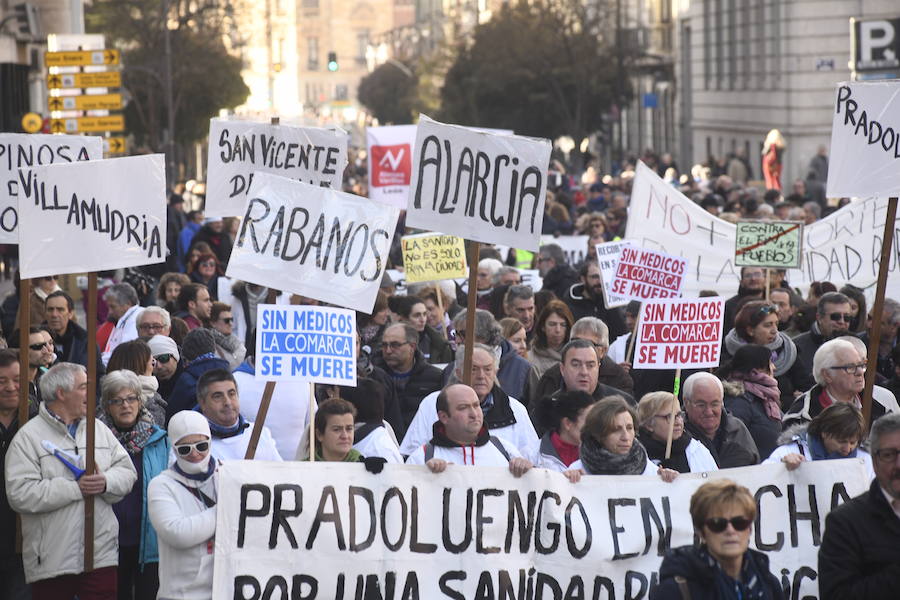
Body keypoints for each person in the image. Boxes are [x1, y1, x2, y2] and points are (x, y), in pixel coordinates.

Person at [5, 363, 137, 597]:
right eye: (83, 387)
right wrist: (76, 489)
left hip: (100, 556)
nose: (91, 393)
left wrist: (105, 482)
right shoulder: (28, 438)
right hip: (52, 560)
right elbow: (20, 494)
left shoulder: (98, 428)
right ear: (61, 393)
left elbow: (127, 471)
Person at [99, 370, 168, 600]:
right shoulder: (96, 440)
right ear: (106, 406)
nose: (125, 406)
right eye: (117, 401)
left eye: (131, 399)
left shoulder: (159, 439)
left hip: (148, 540)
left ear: (140, 401)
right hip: (108, 540)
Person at [653, 479, 785, 600]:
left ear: (749, 529)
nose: (730, 530)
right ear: (701, 532)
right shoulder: (676, 589)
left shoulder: (768, 584)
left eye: (739, 523)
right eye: (717, 524)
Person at [401, 344, 537, 456]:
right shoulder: (432, 404)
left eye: (488, 369)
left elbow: (532, 458)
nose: (481, 376)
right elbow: (411, 453)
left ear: (496, 372)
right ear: (459, 372)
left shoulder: (515, 409)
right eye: (474, 369)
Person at [818, 412, 900, 598]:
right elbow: (837, 595)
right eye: (889, 455)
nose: (899, 464)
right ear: (875, 461)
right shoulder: (845, 522)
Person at [147, 410, 218, 600]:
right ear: (174, 448)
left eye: (202, 445)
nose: (195, 454)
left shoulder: (228, 475)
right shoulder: (161, 485)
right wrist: (224, 511)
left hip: (224, 590)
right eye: (185, 449)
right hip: (181, 594)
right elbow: (177, 533)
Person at [405, 384, 532, 476]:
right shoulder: (422, 457)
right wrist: (425, 474)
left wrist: (526, 469)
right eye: (463, 407)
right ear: (444, 417)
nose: (474, 414)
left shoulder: (505, 450)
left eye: (476, 405)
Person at [783, 338, 899, 427]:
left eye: (861, 365)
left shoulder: (881, 409)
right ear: (827, 375)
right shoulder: (802, 416)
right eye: (850, 367)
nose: (859, 372)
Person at [565, 396, 678, 482]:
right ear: (598, 434)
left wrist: (668, 479)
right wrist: (568, 483)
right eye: (616, 429)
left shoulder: (649, 469)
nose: (625, 437)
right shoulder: (578, 471)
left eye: (629, 428)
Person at [721, 301, 811, 405]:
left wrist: (794, 400)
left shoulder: (787, 351)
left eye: (776, 324)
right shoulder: (729, 354)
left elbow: (805, 385)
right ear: (750, 330)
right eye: (768, 325)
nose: (774, 331)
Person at [531, 317, 634, 405]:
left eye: (589, 343)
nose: (582, 347)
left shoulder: (620, 381)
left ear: (603, 351)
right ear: (562, 369)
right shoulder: (552, 376)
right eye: (576, 341)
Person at [0, 349, 34, 599]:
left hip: (25, 536)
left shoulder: (37, 422)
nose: (11, 387)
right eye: (2, 381)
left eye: (17, 379)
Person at [371, 323, 443, 435]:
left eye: (395, 345)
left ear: (412, 347)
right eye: (384, 345)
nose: (388, 351)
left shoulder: (435, 377)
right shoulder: (373, 376)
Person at [195, 369, 282, 461]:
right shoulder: (194, 445)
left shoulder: (260, 434)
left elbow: (280, 472)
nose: (227, 402)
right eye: (218, 396)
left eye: (231, 394)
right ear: (202, 403)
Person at [766, 402, 873, 476]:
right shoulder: (790, 451)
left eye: (853, 442)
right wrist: (781, 467)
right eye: (841, 441)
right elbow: (762, 478)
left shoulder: (865, 460)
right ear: (824, 433)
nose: (847, 448)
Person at [720, 344, 783, 459]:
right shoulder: (738, 402)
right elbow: (734, 442)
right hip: (752, 472)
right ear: (755, 372)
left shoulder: (766, 398)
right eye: (769, 363)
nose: (774, 367)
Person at [682, 372, 759, 468]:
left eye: (714, 404)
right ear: (686, 403)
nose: (709, 412)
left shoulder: (737, 429)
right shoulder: (676, 434)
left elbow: (756, 469)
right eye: (701, 405)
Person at [637, 391, 718, 473]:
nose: (678, 422)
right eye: (670, 417)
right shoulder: (636, 454)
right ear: (649, 424)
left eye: (679, 415)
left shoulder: (697, 450)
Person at [166, 328, 230, 421]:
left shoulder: (185, 381)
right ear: (213, 348)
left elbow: (172, 416)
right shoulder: (229, 374)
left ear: (186, 356)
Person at [793, 292, 855, 380]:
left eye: (847, 317)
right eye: (835, 316)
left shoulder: (857, 344)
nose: (842, 321)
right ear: (819, 318)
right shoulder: (796, 347)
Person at [561, 258, 627, 342]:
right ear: (583, 279)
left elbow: (620, 334)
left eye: (602, 277)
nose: (599, 282)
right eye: (595, 277)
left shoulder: (611, 304)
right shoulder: (570, 304)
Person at [528, 390, 595, 471]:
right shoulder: (531, 454)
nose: (595, 428)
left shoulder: (600, 456)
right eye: (589, 421)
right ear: (568, 423)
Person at [107, 339, 167, 427]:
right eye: (152, 363)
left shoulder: (101, 407)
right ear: (141, 367)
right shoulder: (151, 408)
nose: (155, 368)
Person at [45, 290, 103, 373]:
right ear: (45, 313)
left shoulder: (86, 341)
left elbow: (99, 373)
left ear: (70, 314)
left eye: (60, 310)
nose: (54, 314)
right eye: (50, 309)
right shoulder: (35, 340)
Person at [388, 295, 452, 364]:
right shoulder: (389, 343)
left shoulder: (438, 342)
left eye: (424, 314)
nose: (423, 319)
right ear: (404, 318)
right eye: (417, 315)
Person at [527, 300, 574, 378]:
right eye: (552, 324)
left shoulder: (577, 355)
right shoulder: (529, 359)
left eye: (563, 325)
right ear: (543, 326)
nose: (558, 330)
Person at [102, 283, 144, 365]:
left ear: (128, 304)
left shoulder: (135, 319)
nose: (109, 312)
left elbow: (123, 353)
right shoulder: (124, 318)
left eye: (113, 307)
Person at [722, 267, 765, 333]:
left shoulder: (772, 301)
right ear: (741, 282)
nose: (753, 278)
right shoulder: (728, 306)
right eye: (748, 275)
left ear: (765, 279)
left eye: (757, 274)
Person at [207, 302, 246, 370]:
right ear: (213, 323)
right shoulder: (209, 345)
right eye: (227, 320)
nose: (231, 324)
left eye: (232, 320)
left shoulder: (237, 342)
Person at [149, 335, 182, 403]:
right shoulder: (149, 388)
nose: (159, 366)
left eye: (163, 358)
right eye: (153, 362)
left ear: (175, 357)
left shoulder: (191, 385)